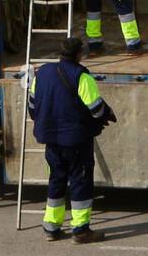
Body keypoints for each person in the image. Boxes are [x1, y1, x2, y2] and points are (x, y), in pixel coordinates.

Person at [27, 36, 114, 244]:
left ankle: (51, 227)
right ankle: (81, 230)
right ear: (79, 54)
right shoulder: (81, 76)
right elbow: (96, 109)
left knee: (56, 180)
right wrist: (107, 115)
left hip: (51, 140)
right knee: (80, 181)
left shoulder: (43, 73)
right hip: (76, 141)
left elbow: (32, 107)